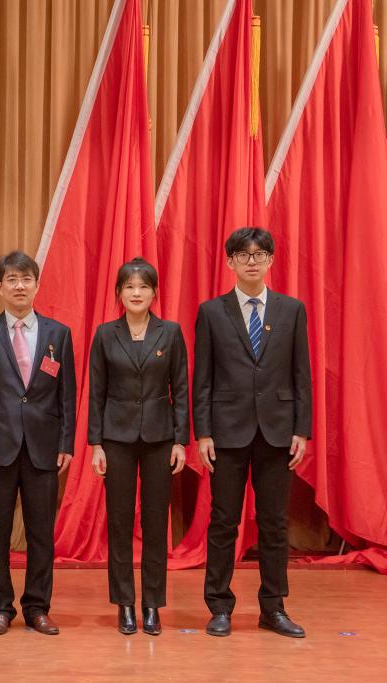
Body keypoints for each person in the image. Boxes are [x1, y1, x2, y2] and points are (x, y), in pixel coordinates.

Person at [194, 227, 312, 639]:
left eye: (259, 254)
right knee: (223, 521)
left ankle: (273, 608)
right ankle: (219, 606)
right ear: (230, 262)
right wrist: (203, 433)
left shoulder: (291, 310)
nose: (251, 261)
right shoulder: (212, 312)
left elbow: (301, 375)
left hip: (278, 432)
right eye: (242, 255)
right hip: (226, 433)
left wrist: (302, 430)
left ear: (270, 260)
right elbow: (203, 378)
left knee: (274, 524)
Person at [0, 250, 76, 636]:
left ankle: (37, 607)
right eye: (11, 279)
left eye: (26, 279)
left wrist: (66, 442)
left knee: (41, 532)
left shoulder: (58, 334)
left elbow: (67, 393)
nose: (19, 286)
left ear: (37, 285)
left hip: (44, 446)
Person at [87, 257, 188, 636]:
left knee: (155, 523)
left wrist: (181, 440)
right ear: (118, 293)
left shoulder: (170, 332)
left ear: (154, 293)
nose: (136, 293)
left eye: (143, 286)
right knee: (119, 522)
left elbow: (181, 389)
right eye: (129, 286)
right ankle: (125, 603)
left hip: (161, 439)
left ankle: (152, 605)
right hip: (116, 439)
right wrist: (96, 444)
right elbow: (96, 392)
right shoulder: (105, 334)